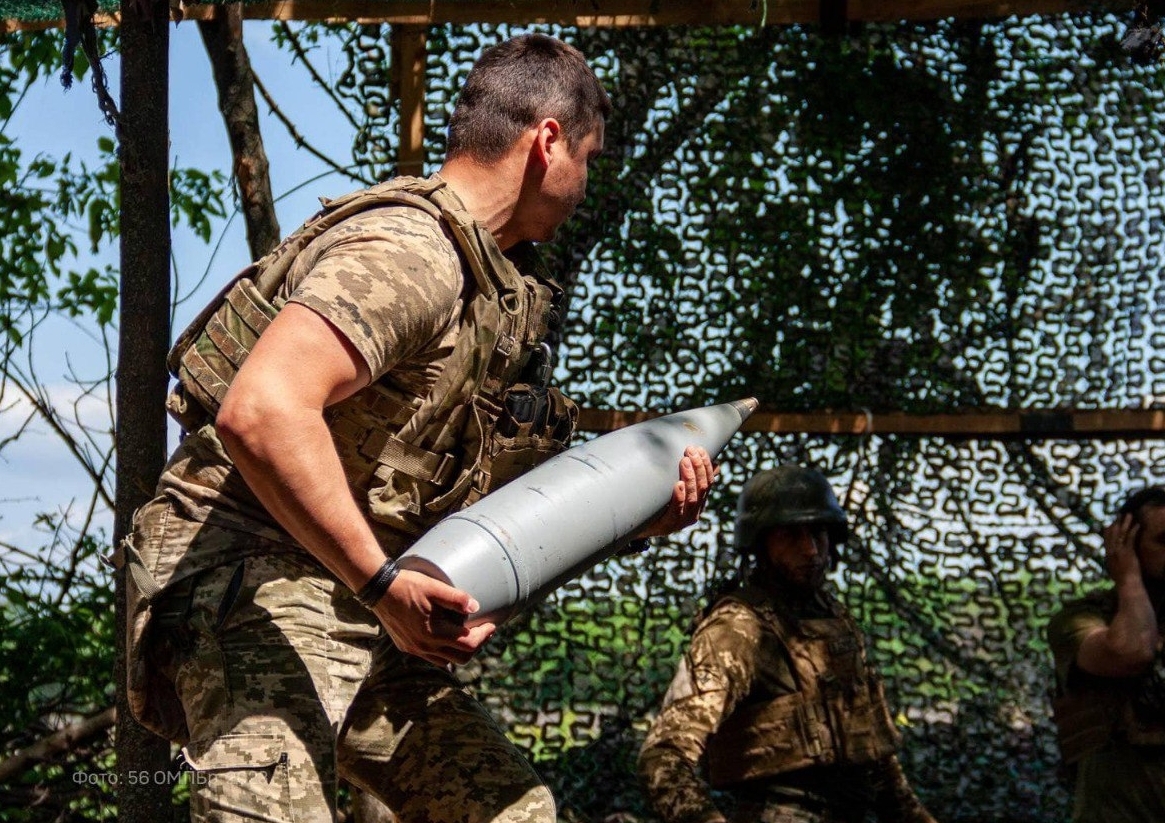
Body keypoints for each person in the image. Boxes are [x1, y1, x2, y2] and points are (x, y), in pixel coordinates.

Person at [117, 33, 716, 823]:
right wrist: (382, 584)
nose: (585, 185)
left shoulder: (493, 287)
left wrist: (636, 520)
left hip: (359, 599)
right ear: (546, 141)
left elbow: (477, 501)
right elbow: (260, 411)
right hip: (255, 585)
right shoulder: (411, 252)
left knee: (514, 813)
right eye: (589, 158)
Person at [638, 464, 936, 823]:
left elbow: (877, 761)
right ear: (760, 543)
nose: (810, 550)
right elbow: (663, 756)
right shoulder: (737, 628)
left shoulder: (833, 617)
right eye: (791, 535)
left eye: (818, 532)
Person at [1046, 486, 1165, 823]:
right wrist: (1128, 578)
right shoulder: (1084, 618)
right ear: (1127, 545)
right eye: (1164, 541)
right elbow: (1130, 652)